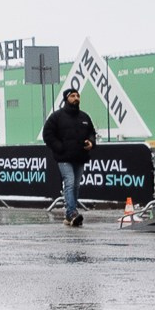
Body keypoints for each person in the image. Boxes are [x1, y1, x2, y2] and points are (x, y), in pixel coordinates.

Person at [42, 86, 97, 226]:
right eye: (72, 96)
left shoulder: (85, 117)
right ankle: (72, 212)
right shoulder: (57, 116)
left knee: (76, 186)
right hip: (64, 157)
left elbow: (92, 132)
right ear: (66, 98)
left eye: (77, 96)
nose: (76, 98)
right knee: (70, 183)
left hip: (80, 156)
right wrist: (59, 147)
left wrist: (91, 142)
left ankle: (69, 216)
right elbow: (47, 134)